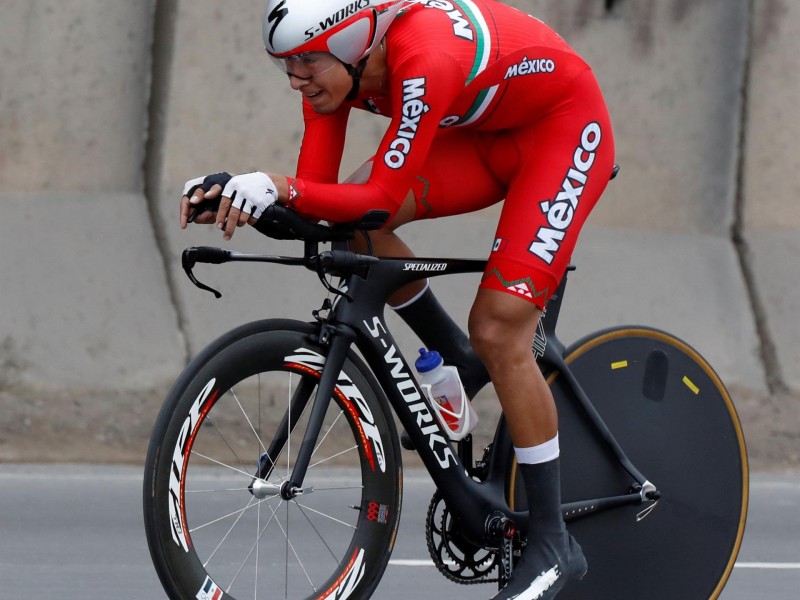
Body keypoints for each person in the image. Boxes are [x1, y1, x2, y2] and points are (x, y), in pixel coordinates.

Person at [180, 1, 615, 598]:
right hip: (484, 136)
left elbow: (381, 197)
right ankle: (452, 354)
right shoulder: (335, 77)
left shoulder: (424, 55)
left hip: (561, 133)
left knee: (500, 329)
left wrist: (278, 186)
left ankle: (553, 543)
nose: (295, 78)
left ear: (357, 43)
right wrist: (238, 195)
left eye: (308, 60)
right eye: (285, 64)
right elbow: (319, 200)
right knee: (348, 224)